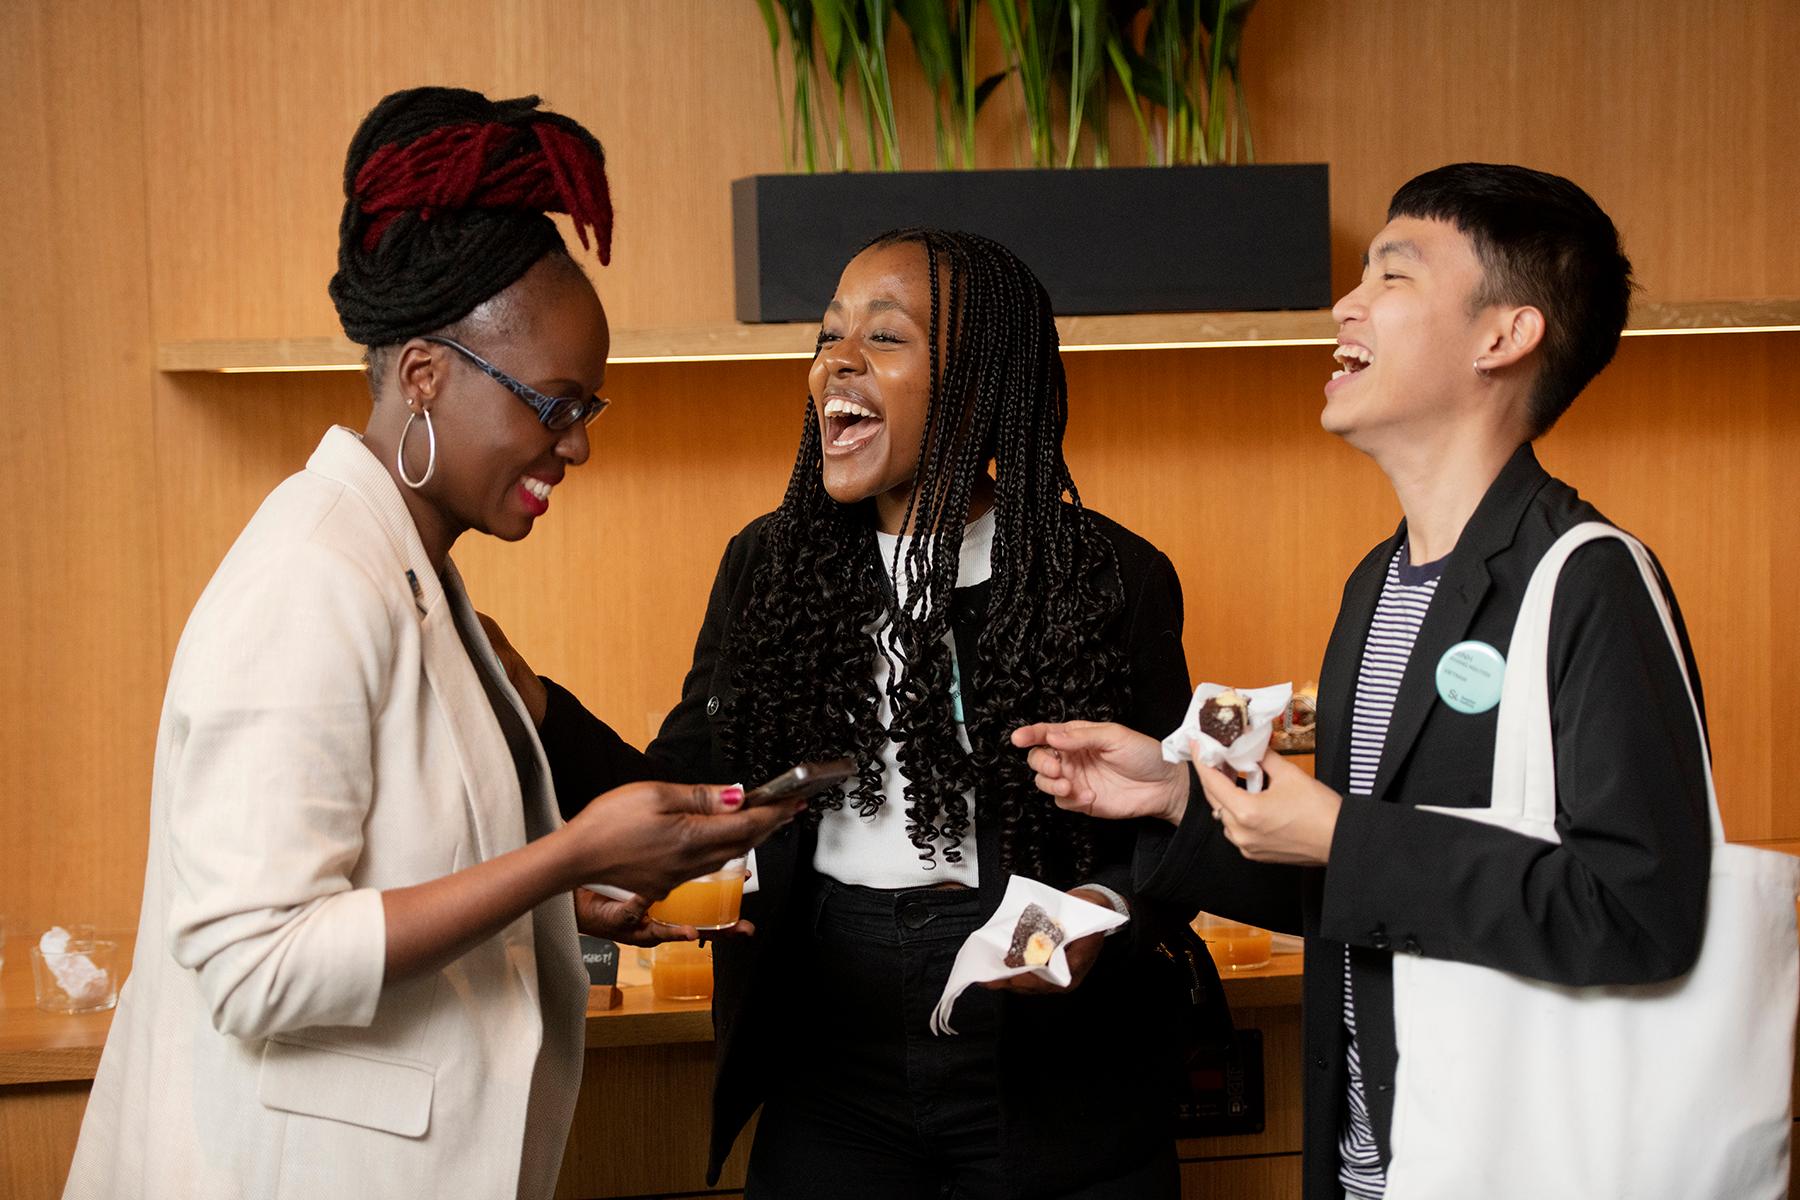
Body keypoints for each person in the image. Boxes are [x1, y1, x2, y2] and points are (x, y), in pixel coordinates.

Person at [63, 87, 800, 1200]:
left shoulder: (413, 575)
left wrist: (558, 903)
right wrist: (569, 856)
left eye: (589, 408)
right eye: (554, 405)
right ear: (423, 376)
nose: (577, 445)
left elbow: (400, 869)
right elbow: (256, 966)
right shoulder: (309, 583)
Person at [1013, 163, 1712, 1199]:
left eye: (1393, 275)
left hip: (1516, 1161)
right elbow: (1368, 893)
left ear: (1503, 336)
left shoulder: (1592, 579)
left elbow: (1641, 913)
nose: (1346, 303)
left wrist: (1344, 835)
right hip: (1373, 1165)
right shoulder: (1377, 585)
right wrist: (1174, 797)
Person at [496, 229, 1204, 1198]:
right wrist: (532, 701)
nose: (838, 360)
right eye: (829, 336)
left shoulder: (1108, 576)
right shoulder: (771, 565)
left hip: (1056, 1061)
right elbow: (685, 791)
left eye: (886, 338)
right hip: (829, 1046)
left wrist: (1102, 912)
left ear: (979, 381)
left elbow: (1172, 822)